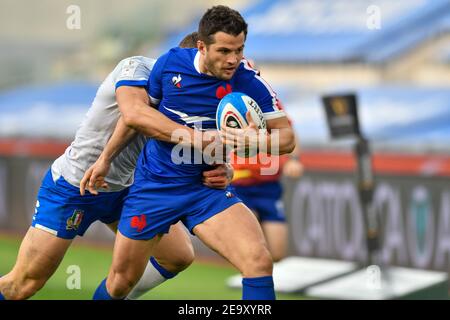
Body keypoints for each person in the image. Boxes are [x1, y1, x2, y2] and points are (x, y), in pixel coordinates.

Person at [0, 34, 232, 300]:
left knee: (177, 256)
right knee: (23, 285)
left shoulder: (193, 100)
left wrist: (224, 169)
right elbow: (135, 115)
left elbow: (199, 146)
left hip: (129, 190)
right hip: (78, 184)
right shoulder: (137, 67)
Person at [89, 5, 296, 300]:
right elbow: (140, 116)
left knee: (259, 262)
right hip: (155, 187)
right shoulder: (170, 64)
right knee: (121, 282)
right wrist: (105, 159)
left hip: (206, 190)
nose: (233, 59)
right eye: (224, 51)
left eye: (239, 50)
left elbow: (287, 139)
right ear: (201, 46)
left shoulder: (249, 79)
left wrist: (257, 142)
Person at [230, 98, 303, 262]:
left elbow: (289, 132)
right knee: (253, 249)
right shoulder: (230, 100)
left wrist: (294, 159)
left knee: (277, 253)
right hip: (240, 185)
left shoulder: (267, 100)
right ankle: (253, 279)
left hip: (269, 187)